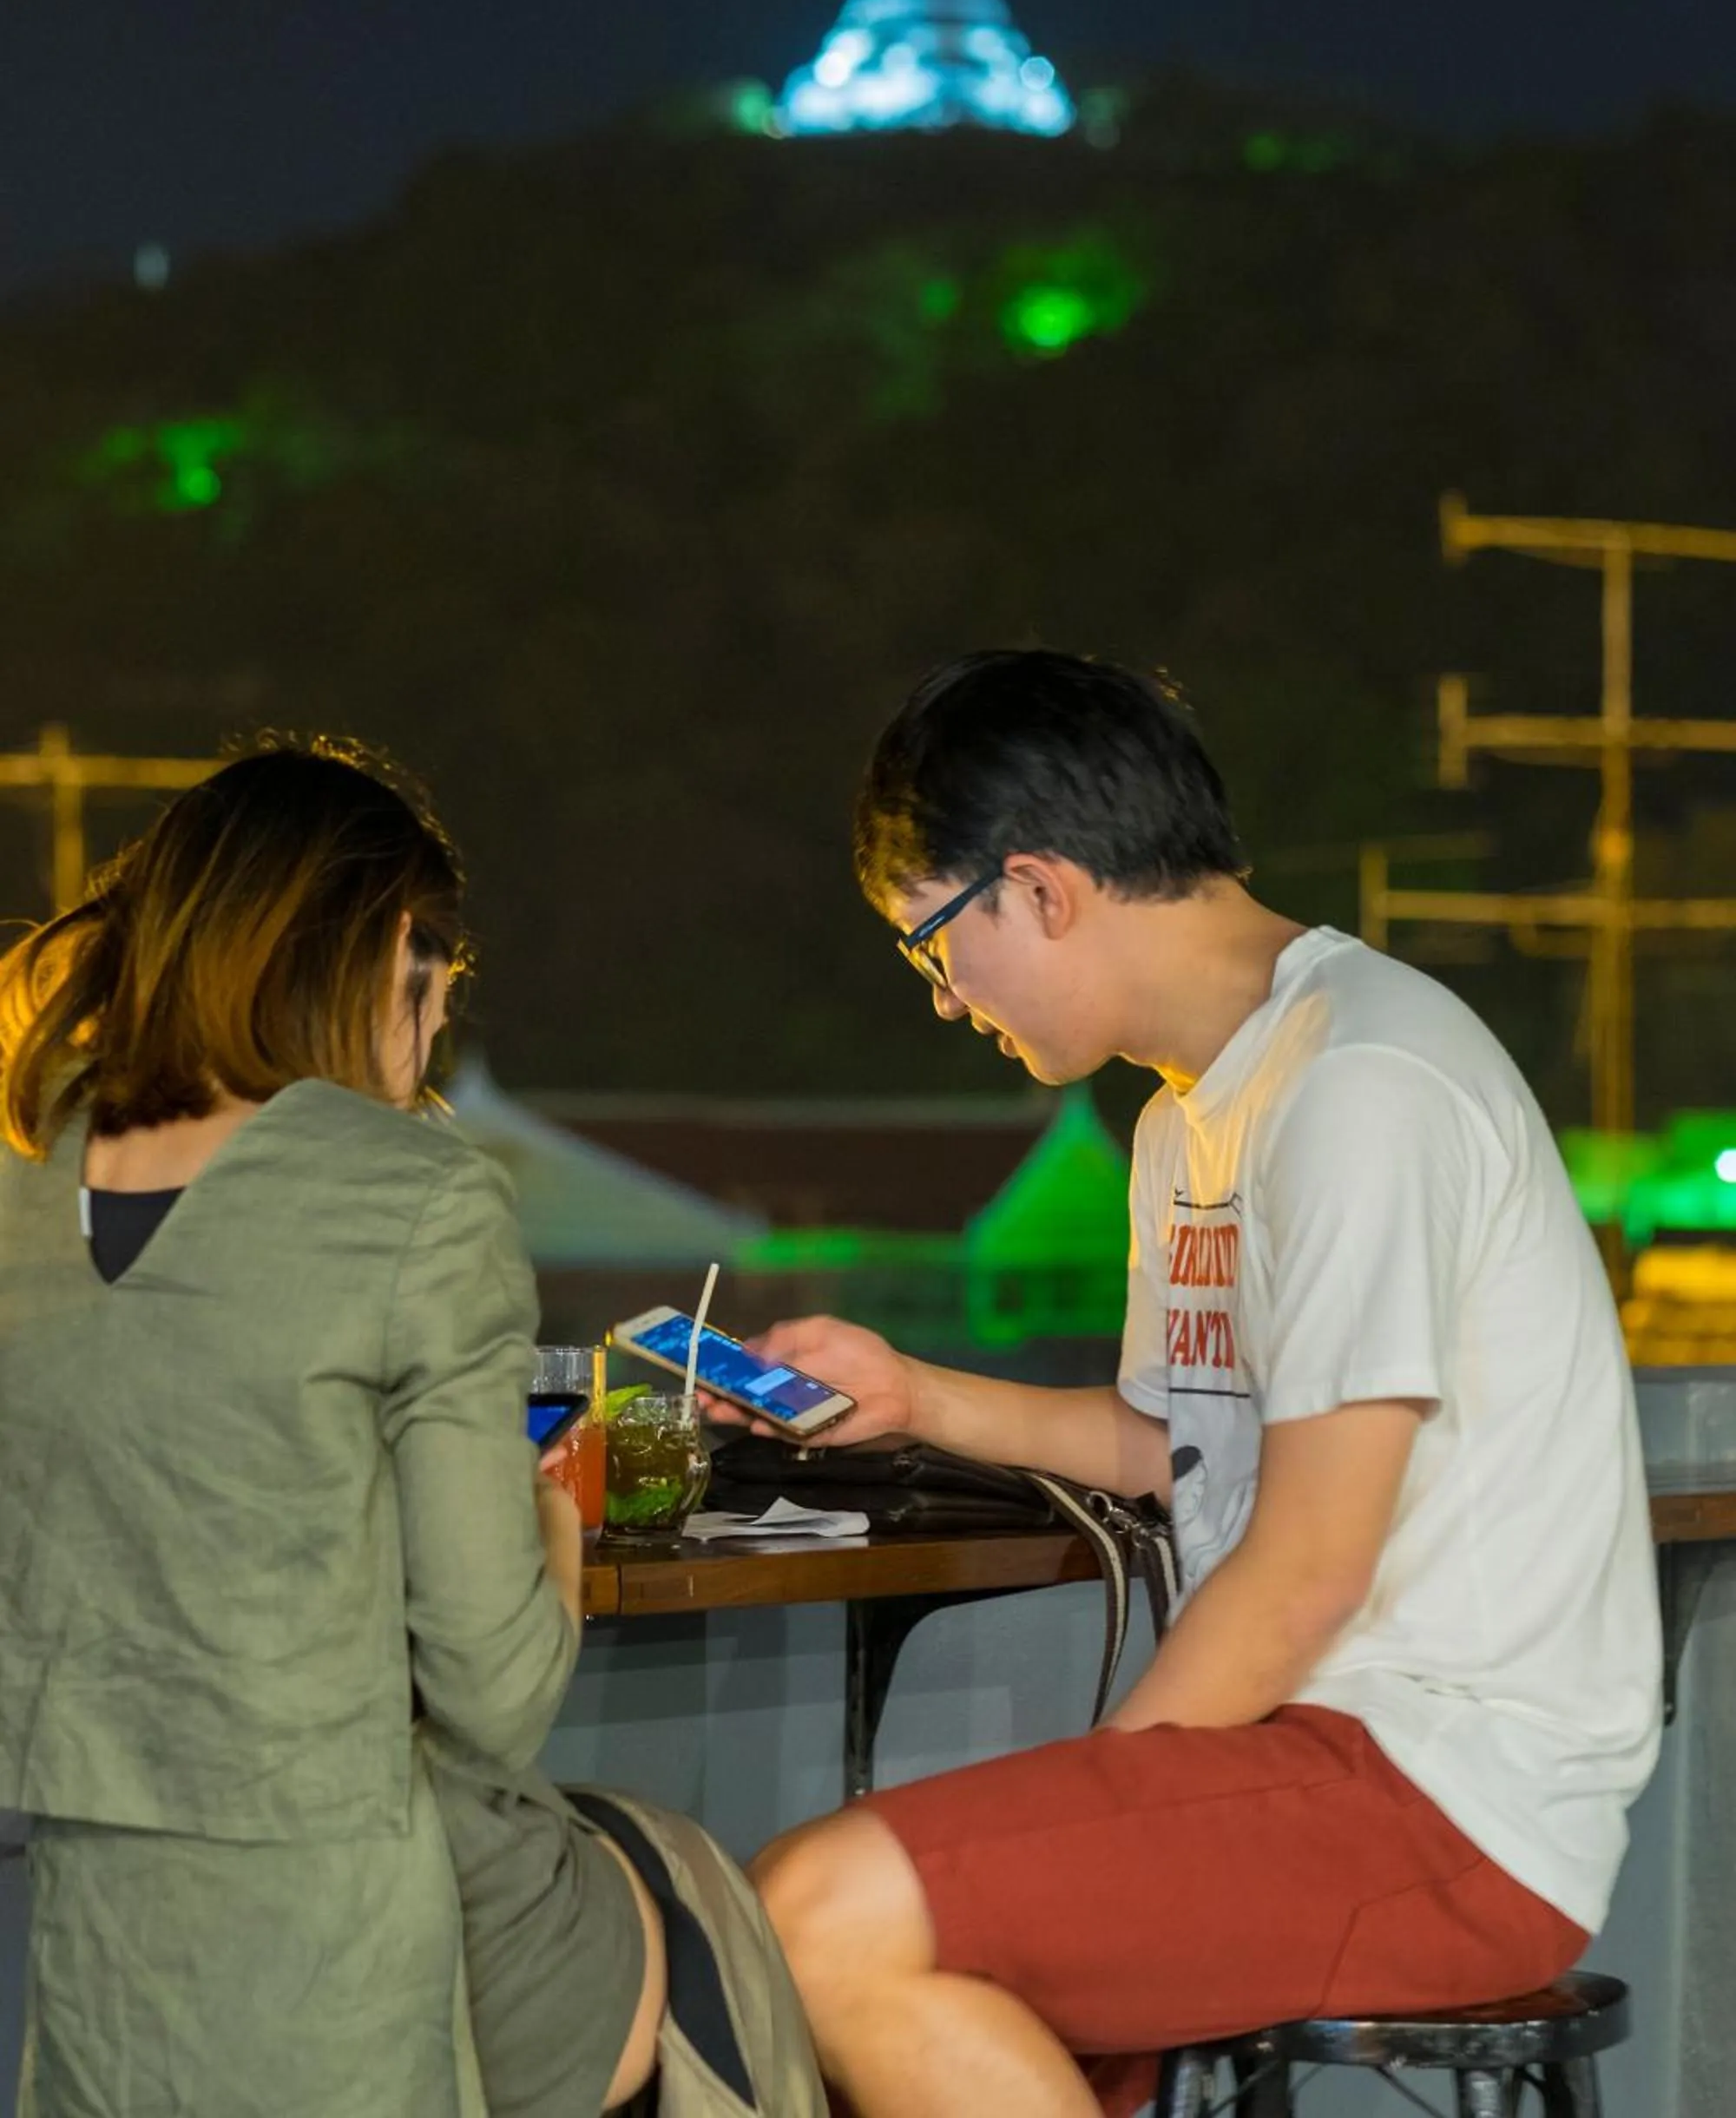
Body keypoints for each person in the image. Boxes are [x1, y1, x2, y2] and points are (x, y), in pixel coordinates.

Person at [739, 650, 1664, 2118]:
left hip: (1444, 1792)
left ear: (1037, 889)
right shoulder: (1194, 1117)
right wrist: (912, 1394)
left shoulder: (1365, 1081)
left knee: (812, 1917)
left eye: (932, 950)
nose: (943, 1002)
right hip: (1318, 1747)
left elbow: (1305, 1565)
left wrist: (1090, 1817)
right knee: (832, 1922)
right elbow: (1177, 1443)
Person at [0, 742, 822, 2118]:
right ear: (387, 953)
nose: (436, 1032)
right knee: (701, 1898)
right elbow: (497, 1693)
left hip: (102, 1934)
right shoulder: (412, 1194)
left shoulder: (28, 1174)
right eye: (438, 982)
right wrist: (552, 1496)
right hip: (347, 1929)